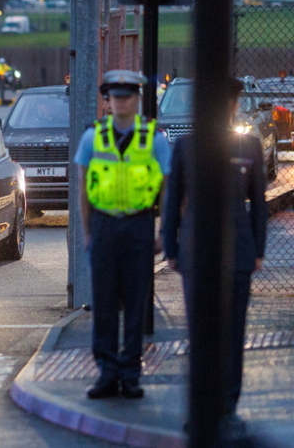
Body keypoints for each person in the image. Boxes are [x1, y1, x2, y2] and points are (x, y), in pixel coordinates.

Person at [162, 78, 267, 435]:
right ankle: (200, 407)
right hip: (195, 252)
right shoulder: (186, 146)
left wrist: (258, 249)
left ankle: (227, 407)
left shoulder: (249, 146)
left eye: (229, 103)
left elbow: (258, 204)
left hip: (237, 252)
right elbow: (173, 200)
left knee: (233, 333)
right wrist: (171, 247)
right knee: (199, 333)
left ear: (234, 107)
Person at [73, 69, 171, 400]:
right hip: (103, 225)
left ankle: (130, 374)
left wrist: (163, 232)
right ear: (107, 101)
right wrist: (88, 232)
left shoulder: (154, 138)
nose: (121, 103)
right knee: (103, 302)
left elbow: (168, 189)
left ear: (137, 99)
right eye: (115, 97)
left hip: (138, 224)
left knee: (135, 302)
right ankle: (107, 372)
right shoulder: (92, 137)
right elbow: (83, 189)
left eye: (127, 97)